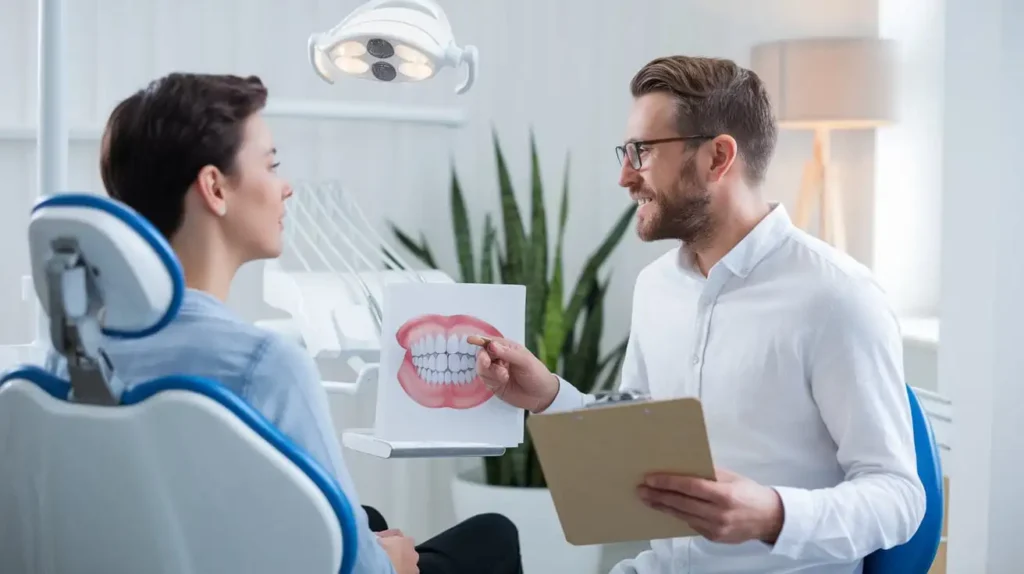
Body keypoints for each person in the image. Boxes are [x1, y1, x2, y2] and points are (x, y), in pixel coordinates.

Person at [43, 72, 523, 574]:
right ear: (214, 188)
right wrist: (396, 564)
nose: (286, 187)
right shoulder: (263, 366)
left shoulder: (73, 355)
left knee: (368, 517)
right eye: (271, 165)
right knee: (491, 535)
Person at [473, 56, 926, 574]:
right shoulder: (656, 288)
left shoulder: (838, 298)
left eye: (642, 152)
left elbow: (898, 498)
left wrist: (775, 514)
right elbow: (636, 430)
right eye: (626, 152)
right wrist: (549, 397)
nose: (625, 176)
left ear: (717, 157)